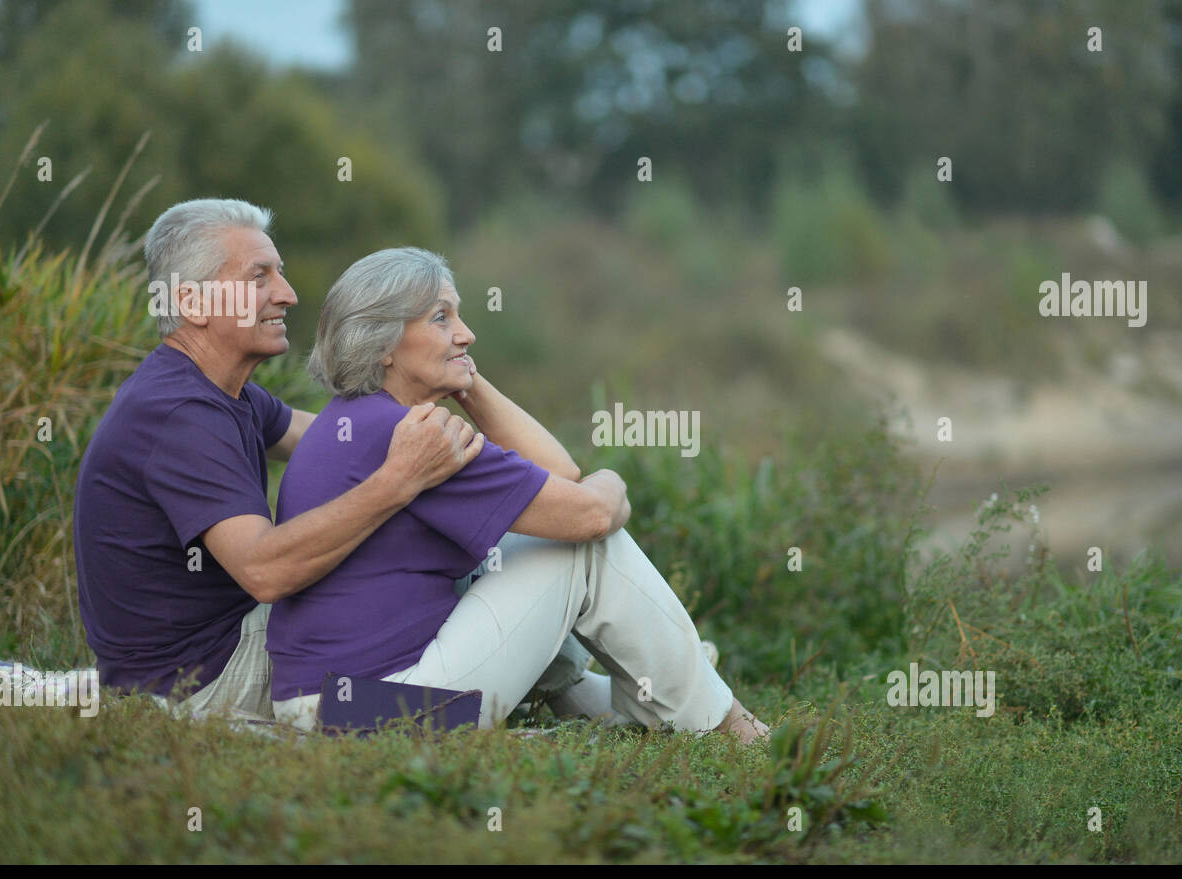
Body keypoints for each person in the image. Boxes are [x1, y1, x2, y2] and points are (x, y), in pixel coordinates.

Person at [267, 247, 770, 743]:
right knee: (580, 546)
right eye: (441, 319)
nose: (467, 333)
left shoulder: (354, 419)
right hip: (379, 713)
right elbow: (589, 511)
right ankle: (725, 726)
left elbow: (558, 474)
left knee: (510, 550)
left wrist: (464, 377)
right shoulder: (411, 436)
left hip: (328, 704)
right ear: (384, 344)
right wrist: (613, 481)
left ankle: (633, 696)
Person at [73, 199, 482, 718]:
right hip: (202, 679)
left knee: (434, 529)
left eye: (280, 274)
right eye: (259, 277)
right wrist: (398, 481)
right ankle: (445, 711)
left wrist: (439, 367)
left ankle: (537, 687)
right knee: (411, 545)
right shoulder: (179, 414)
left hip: (226, 643)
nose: (286, 295)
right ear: (193, 304)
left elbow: (344, 441)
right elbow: (264, 572)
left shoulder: (227, 392)